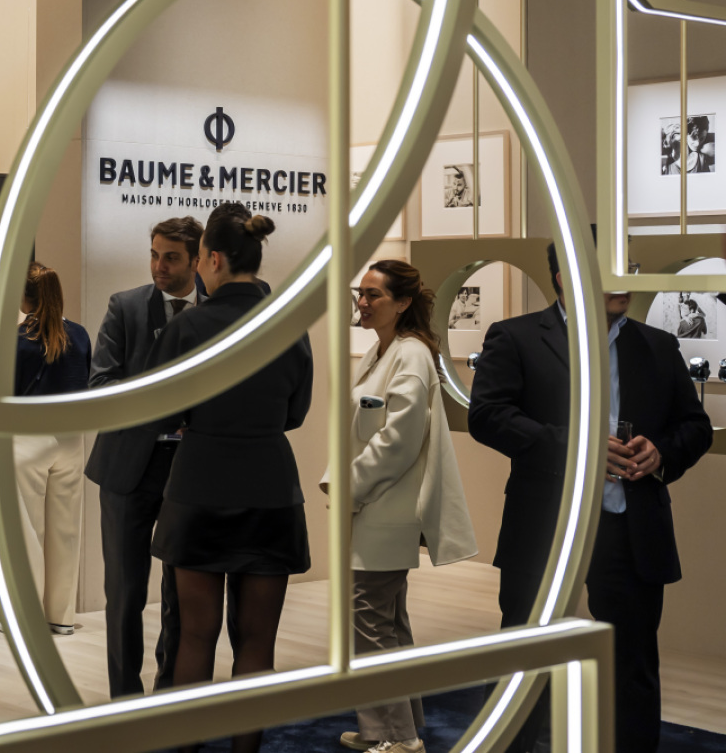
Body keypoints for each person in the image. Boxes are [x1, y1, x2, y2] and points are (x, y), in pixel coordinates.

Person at [468, 242, 713, 753]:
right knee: (525, 658)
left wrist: (661, 453)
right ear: (564, 277)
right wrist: (577, 446)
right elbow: (488, 417)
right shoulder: (515, 337)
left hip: (630, 528)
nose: (624, 280)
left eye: (630, 268)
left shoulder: (658, 344)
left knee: (632, 669)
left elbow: (695, 426)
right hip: (546, 530)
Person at [149, 206, 312, 753]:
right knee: (257, 643)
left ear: (213, 259)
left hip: (200, 485)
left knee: (195, 637)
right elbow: (295, 413)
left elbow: (161, 410)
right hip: (270, 487)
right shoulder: (288, 323)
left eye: (198, 258)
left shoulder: (188, 326)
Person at [328, 260, 477, 753]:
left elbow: (398, 441)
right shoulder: (383, 350)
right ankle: (392, 727)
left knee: (369, 620)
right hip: (376, 504)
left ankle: (396, 736)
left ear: (403, 302)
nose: (363, 303)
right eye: (361, 293)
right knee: (385, 621)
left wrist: (350, 487)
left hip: (384, 505)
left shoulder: (409, 355)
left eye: (374, 295)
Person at [86, 216, 226, 697]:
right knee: (124, 594)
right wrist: (163, 406)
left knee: (181, 595)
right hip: (127, 467)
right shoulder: (125, 307)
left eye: (170, 257)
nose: (158, 266)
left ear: (197, 260)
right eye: (153, 255)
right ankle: (124, 701)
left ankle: (170, 694)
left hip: (192, 469)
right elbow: (101, 383)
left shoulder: (218, 312)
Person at [12, 262, 92, 635]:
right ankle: (61, 616)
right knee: (66, 531)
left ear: (26, 296)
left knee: (27, 531)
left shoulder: (17, 339)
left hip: (28, 437)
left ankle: (26, 617)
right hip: (71, 440)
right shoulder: (80, 335)